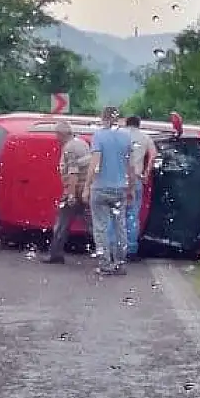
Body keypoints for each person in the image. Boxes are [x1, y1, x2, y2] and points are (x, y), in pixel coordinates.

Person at [84, 109, 135, 275]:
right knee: (120, 226)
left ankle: (105, 264)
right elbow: (131, 166)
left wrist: (86, 186)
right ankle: (120, 263)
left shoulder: (99, 136)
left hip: (100, 188)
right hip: (120, 188)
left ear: (103, 119)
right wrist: (131, 188)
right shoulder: (126, 137)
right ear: (117, 119)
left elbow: (95, 163)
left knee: (100, 228)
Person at [43, 120, 92, 265]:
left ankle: (55, 255)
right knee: (94, 225)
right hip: (85, 190)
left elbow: (73, 173)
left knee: (61, 224)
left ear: (61, 134)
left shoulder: (69, 148)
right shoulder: (82, 143)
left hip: (75, 191)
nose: (56, 138)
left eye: (56, 135)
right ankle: (110, 254)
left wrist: (70, 194)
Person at [122, 114, 156, 261]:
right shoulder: (145, 137)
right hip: (135, 178)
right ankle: (130, 249)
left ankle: (111, 248)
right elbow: (153, 154)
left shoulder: (119, 135)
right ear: (139, 124)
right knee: (132, 215)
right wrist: (146, 173)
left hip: (118, 179)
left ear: (126, 123)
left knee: (114, 214)